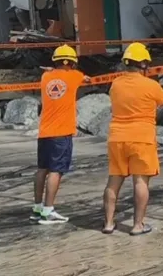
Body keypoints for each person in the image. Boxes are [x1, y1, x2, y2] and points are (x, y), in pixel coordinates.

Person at [103, 42, 163, 236]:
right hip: (141, 138)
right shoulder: (150, 85)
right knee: (140, 182)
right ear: (144, 64)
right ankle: (138, 225)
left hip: (117, 137)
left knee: (113, 182)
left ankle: (108, 223)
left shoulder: (116, 83)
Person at [31, 44, 92, 225]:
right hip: (61, 133)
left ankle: (38, 208)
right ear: (71, 63)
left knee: (42, 169)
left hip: (44, 133)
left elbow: (55, 72)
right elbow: (87, 79)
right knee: (56, 171)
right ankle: (49, 210)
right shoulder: (74, 76)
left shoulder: (45, 77)